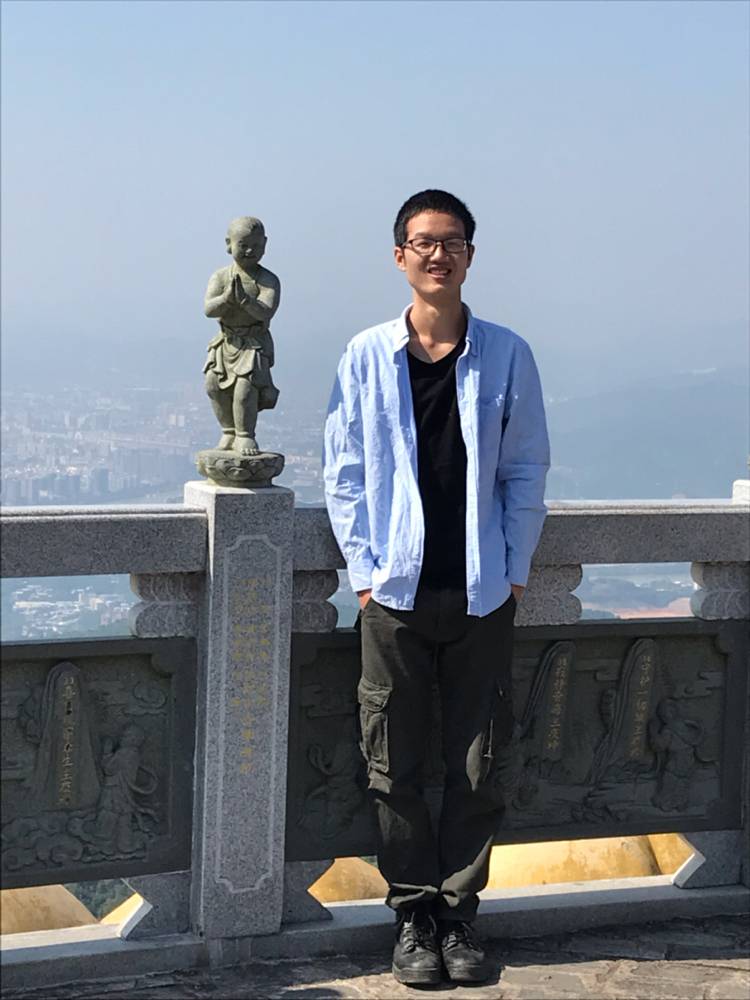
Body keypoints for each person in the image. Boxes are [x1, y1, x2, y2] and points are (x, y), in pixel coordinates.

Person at [322, 189, 549, 986]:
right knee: (393, 762)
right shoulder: (366, 356)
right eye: (423, 242)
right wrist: (365, 578)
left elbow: (525, 469)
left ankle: (459, 916)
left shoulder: (507, 354)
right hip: (394, 596)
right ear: (400, 257)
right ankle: (413, 915)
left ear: (470, 257)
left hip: (481, 592)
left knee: (478, 763)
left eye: (451, 242)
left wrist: (513, 570)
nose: (437, 255)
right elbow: (344, 473)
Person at [203, 216, 280, 455]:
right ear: (229, 244)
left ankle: (245, 435)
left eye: (255, 246)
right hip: (226, 341)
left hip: (253, 344)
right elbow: (209, 309)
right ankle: (228, 431)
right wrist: (227, 299)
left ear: (264, 244)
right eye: (243, 245)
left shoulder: (267, 280)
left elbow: (266, 311)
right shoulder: (220, 277)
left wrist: (245, 301)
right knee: (213, 385)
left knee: (245, 390)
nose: (249, 251)